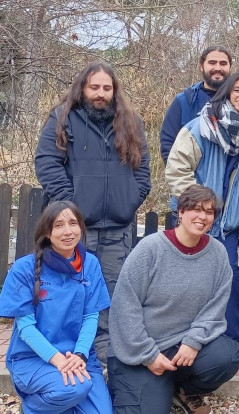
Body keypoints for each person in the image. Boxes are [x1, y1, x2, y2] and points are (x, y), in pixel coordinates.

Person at [34, 61, 151, 364]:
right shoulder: (62, 119)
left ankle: (105, 365)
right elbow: (47, 165)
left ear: (114, 91)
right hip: (74, 232)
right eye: (94, 87)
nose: (100, 93)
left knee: (110, 299)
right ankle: (66, 359)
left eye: (106, 88)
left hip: (118, 229)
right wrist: (71, 211)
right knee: (70, 295)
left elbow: (143, 170)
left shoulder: (131, 123)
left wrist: (130, 201)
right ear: (82, 88)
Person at [108, 185, 239, 413]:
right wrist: (148, 355)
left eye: (209, 212)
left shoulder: (218, 254)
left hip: (184, 347)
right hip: (143, 350)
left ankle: (184, 388)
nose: (202, 217)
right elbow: (125, 306)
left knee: (226, 357)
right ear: (180, 212)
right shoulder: (150, 249)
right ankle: (154, 387)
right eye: (196, 209)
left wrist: (193, 341)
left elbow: (215, 308)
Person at [165, 72, 239, 343]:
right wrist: (197, 208)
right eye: (238, 90)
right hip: (194, 221)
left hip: (226, 224)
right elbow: (177, 169)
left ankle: (229, 341)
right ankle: (179, 338)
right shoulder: (199, 127)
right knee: (187, 281)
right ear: (227, 92)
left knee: (229, 279)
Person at [0, 201, 111, 413]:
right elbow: (26, 328)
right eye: (59, 225)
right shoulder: (24, 268)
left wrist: (79, 355)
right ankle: (31, 408)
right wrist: (58, 360)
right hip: (32, 358)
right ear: (47, 233)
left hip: (79, 357)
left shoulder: (91, 264)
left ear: (80, 227)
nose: (68, 231)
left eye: (73, 223)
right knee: (77, 388)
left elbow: (90, 317)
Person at [159, 46, 232, 164]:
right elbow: (168, 143)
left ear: (230, 67)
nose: (218, 68)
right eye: (212, 63)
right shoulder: (184, 101)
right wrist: (180, 178)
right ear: (202, 66)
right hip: (192, 179)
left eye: (223, 63)